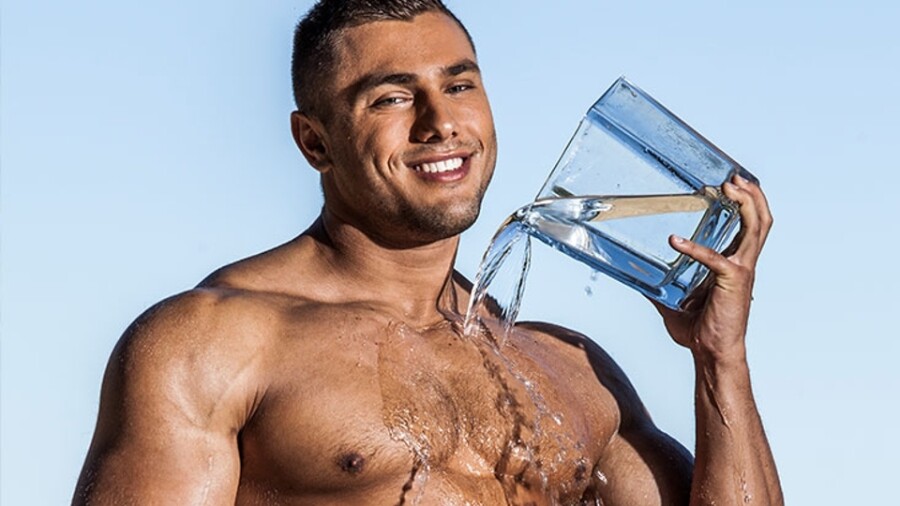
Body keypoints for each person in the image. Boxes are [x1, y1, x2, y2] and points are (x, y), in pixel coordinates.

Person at [73, 1, 783, 504]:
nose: (441, 123)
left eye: (460, 85)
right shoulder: (215, 343)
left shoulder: (568, 367)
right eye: (391, 99)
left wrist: (720, 357)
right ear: (314, 141)